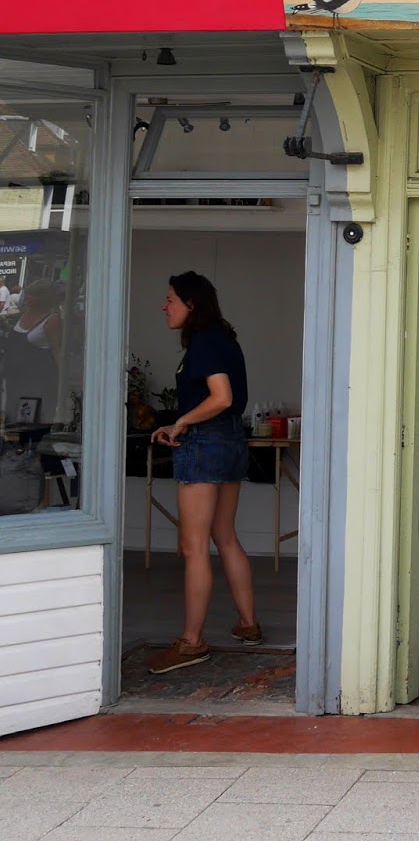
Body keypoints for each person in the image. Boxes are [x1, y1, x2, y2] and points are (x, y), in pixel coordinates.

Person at [147, 272, 261, 674]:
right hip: (230, 440)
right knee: (225, 536)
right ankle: (248, 625)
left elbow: (221, 397)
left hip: (206, 442)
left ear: (191, 304)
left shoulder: (205, 341)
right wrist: (181, 421)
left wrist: (182, 423)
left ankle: (192, 642)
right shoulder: (224, 339)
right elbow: (225, 403)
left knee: (194, 547)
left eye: (171, 299)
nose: (165, 306)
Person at [5, 280, 64, 423]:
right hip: (16, 380)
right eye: (28, 294)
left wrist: (63, 380)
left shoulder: (52, 320)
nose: (28, 298)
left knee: (29, 419)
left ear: (43, 298)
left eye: (32, 295)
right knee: (13, 419)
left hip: (37, 381)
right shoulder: (24, 314)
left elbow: (57, 350)